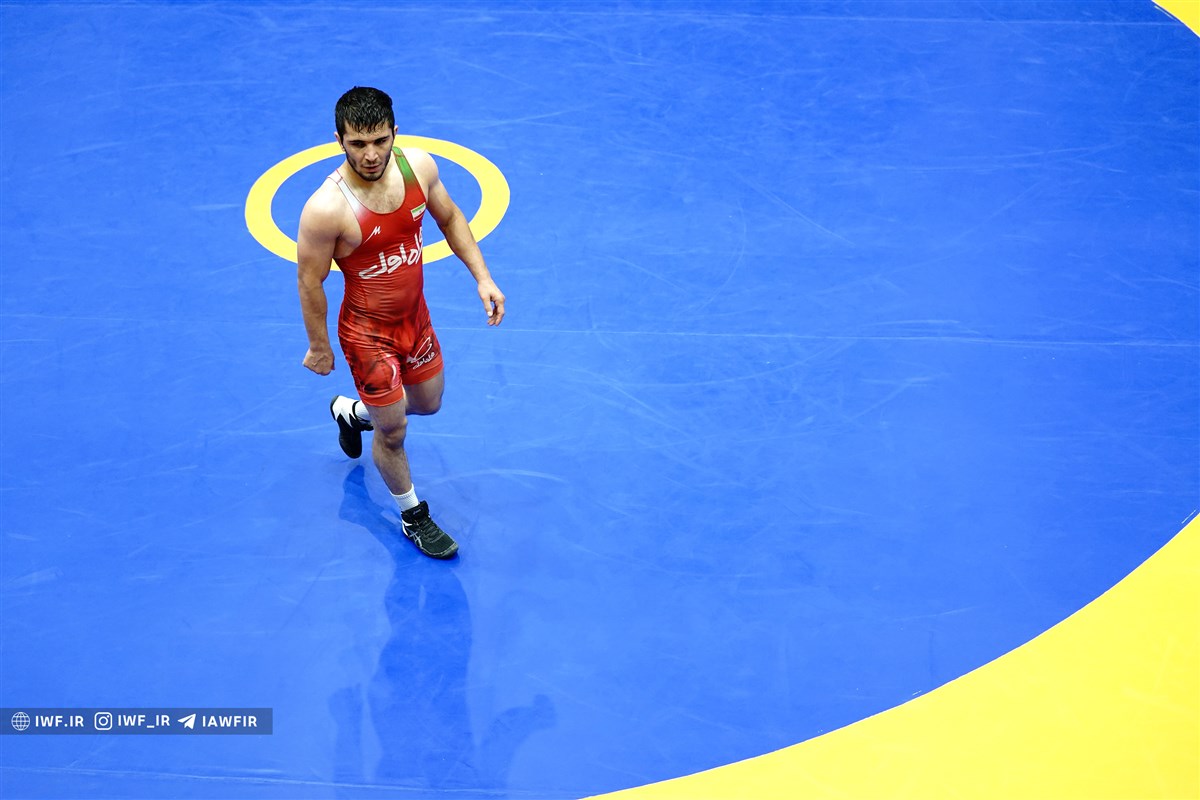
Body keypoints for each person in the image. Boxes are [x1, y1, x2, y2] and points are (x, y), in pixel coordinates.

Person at [297, 86, 505, 560]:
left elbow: (450, 218)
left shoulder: (419, 168)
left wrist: (483, 277)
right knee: (393, 433)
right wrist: (319, 345)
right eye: (357, 144)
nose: (370, 155)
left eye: (380, 141)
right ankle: (414, 516)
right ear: (338, 140)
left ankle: (354, 413)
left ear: (395, 132)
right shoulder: (326, 209)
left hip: (415, 320)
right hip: (367, 336)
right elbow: (310, 282)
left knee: (428, 403)